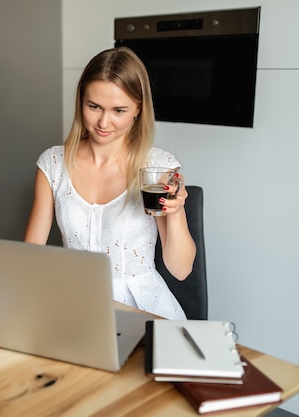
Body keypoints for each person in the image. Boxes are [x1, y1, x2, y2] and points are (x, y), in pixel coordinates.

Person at [24, 47, 196, 320]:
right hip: (75, 303)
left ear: (138, 109)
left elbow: (181, 269)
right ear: (81, 101)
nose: (104, 122)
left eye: (119, 110)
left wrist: (174, 214)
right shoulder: (52, 164)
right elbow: (29, 257)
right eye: (94, 107)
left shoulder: (159, 169)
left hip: (142, 310)